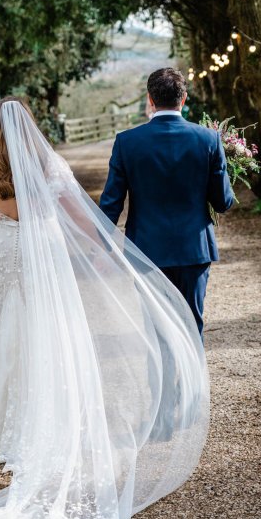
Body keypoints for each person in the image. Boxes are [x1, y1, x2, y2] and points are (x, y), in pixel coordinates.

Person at [0, 96, 209, 519]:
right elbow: (80, 216)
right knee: (44, 331)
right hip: (39, 256)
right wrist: (104, 249)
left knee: (5, 335)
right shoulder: (46, 163)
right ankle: (39, 415)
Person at [100, 68, 234, 338]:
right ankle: (192, 381)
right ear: (183, 99)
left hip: (146, 250)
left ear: (150, 99)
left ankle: (162, 381)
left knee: (155, 327)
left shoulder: (127, 142)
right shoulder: (208, 139)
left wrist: (98, 247)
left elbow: (111, 205)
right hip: (194, 249)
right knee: (191, 324)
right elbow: (222, 202)